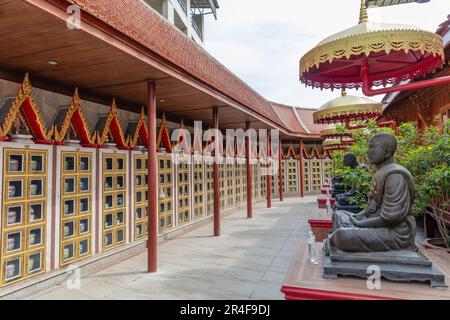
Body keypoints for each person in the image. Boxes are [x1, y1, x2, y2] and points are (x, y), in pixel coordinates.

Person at [328, 133, 417, 252]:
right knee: (339, 215)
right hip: (375, 223)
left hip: (395, 233)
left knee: (341, 236)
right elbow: (373, 206)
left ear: (387, 152)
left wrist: (360, 225)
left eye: (372, 147)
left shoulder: (395, 176)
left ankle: (343, 239)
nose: (368, 151)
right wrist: (358, 217)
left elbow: (390, 218)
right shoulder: (381, 172)